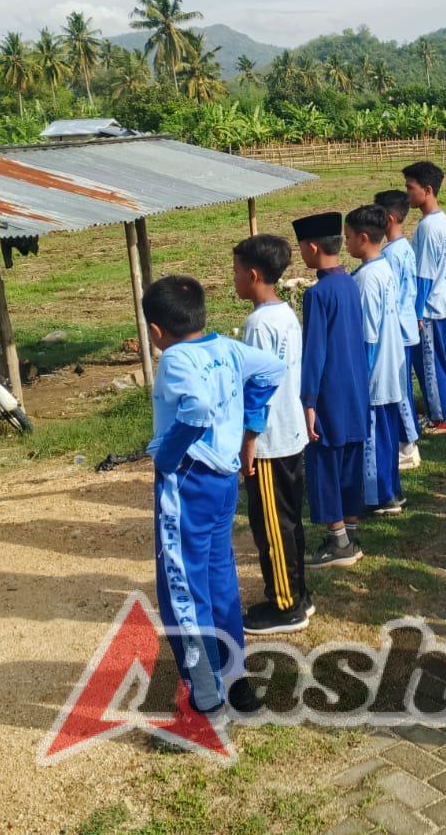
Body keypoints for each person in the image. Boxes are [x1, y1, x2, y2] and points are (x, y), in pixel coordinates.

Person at [142, 274, 285, 734]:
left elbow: (198, 409)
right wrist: (251, 422)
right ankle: (235, 680)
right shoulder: (226, 347)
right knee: (219, 579)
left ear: (156, 331)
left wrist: (168, 451)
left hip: (187, 482)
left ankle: (204, 703)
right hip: (223, 480)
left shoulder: (175, 360)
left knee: (182, 589)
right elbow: (272, 370)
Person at [232, 233, 313, 635]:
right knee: (289, 519)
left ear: (252, 274)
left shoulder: (258, 324)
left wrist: (249, 439)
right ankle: (299, 592)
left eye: (234, 272)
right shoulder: (284, 314)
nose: (232, 279)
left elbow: (257, 390)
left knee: (271, 526)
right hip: (290, 432)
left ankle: (285, 606)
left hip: (269, 439)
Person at [293, 211, 370, 569]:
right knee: (351, 462)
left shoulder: (318, 294)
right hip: (356, 388)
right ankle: (350, 533)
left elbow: (314, 352)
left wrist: (308, 400)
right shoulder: (350, 285)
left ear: (311, 248)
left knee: (324, 462)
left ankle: (337, 540)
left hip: (329, 392)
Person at [346, 204, 408, 518]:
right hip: (390, 366)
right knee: (384, 434)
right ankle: (390, 489)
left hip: (375, 372)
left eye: (348, 237)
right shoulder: (382, 268)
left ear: (364, 238)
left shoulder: (368, 278)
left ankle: (376, 496)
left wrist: (362, 377)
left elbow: (368, 334)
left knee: (372, 437)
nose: (345, 243)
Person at [404, 161, 446, 434]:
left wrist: (415, 314)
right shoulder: (440, 219)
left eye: (410, 188)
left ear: (427, 190)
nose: (407, 194)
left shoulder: (426, 227)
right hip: (444, 299)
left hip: (430, 306)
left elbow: (423, 275)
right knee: (442, 359)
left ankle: (442, 417)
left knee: (429, 364)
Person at [375, 189, 423, 470]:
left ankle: (407, 445)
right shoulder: (404, 247)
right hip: (407, 325)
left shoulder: (391, 255)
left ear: (389, 218)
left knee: (400, 390)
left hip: (398, 331)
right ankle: (407, 442)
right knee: (402, 387)